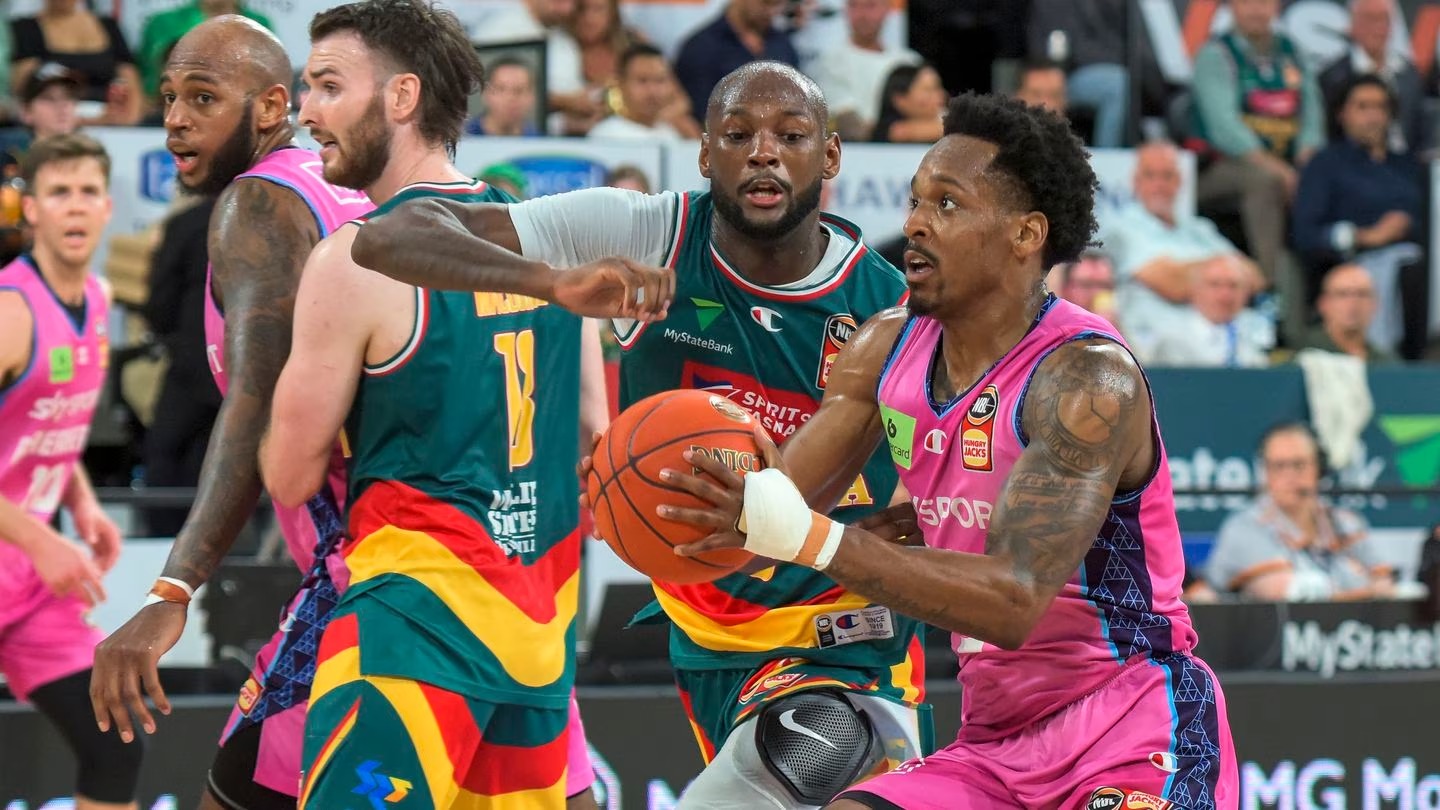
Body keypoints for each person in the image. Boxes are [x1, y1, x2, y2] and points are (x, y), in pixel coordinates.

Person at [352, 60, 928, 810]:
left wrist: (935, 515)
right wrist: (550, 284)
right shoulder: (649, 232)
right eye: (738, 134)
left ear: (829, 156)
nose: (763, 152)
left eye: (790, 135)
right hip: (706, 636)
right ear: (703, 153)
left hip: (847, 640)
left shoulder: (889, 307)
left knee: (789, 773)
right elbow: (388, 235)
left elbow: (968, 465)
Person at [660, 92, 1238, 808]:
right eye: (914, 201)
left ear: (1026, 235)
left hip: (1128, 720)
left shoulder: (1088, 378)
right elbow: (779, 503)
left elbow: (1013, 600)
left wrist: (822, 541)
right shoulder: (883, 347)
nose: (915, 223)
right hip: (994, 739)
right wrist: (686, 497)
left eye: (948, 204)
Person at [257, 1, 665, 806]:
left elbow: (289, 473)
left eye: (328, 86)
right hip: (537, 642)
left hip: (412, 632)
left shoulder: (353, 259)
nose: (306, 113)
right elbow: (597, 438)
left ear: (402, 98)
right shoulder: (552, 244)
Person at [88, 16, 372, 810]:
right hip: (478, 562)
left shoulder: (258, 205)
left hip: (364, 569)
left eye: (203, 97)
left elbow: (254, 405)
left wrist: (171, 591)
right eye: (170, 96)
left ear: (271, 105)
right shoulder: (348, 186)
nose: (176, 116)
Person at [0, 133, 143, 809]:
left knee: (115, 736)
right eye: (58, 192)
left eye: (87, 191)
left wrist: (80, 501)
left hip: (28, 578)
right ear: (32, 211)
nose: (75, 206)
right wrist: (40, 537)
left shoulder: (99, 295)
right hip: (29, 550)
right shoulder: (9, 311)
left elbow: (47, 421)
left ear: (109, 206)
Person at [1206, 423, 1394, 601]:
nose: (1290, 476)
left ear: (1319, 468)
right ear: (1265, 473)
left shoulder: (1346, 521)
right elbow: (1289, 592)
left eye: (1299, 464)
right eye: (1279, 466)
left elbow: (1385, 582)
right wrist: (1367, 589)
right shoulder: (1243, 528)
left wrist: (1372, 587)